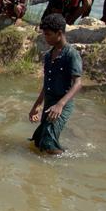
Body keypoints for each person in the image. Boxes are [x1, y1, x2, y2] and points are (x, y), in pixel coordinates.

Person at [29, 14, 82, 155]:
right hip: (49, 102)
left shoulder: (71, 54)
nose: (46, 38)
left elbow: (78, 83)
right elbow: (47, 83)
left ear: (59, 33)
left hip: (62, 104)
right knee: (38, 140)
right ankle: (58, 155)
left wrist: (60, 104)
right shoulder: (48, 56)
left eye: (48, 35)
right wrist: (37, 105)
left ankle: (63, 163)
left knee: (48, 143)